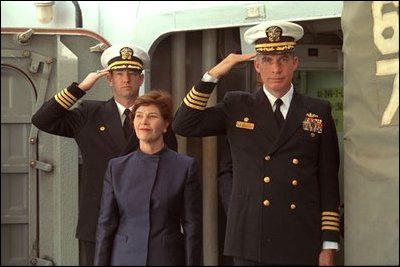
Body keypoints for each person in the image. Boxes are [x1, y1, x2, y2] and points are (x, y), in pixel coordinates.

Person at [172, 21, 341, 266]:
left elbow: (328, 182)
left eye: (283, 59)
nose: (276, 68)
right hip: (250, 236)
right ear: (257, 66)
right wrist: (215, 73)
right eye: (268, 60)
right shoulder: (237, 105)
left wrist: (329, 243)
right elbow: (183, 124)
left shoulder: (317, 110)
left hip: (301, 236)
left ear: (295, 63)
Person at [31, 44, 177, 265]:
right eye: (119, 74)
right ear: (109, 80)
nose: (126, 79)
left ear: (141, 79)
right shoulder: (89, 113)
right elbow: (42, 119)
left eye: (132, 73)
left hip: (145, 222)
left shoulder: (156, 118)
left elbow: (169, 169)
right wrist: (79, 89)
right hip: (98, 220)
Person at [93, 90, 202, 266]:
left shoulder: (185, 167)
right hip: (123, 259)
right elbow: (105, 225)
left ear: (166, 124)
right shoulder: (116, 168)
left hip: (166, 258)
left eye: (152, 116)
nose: (144, 122)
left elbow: (192, 227)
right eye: (139, 116)